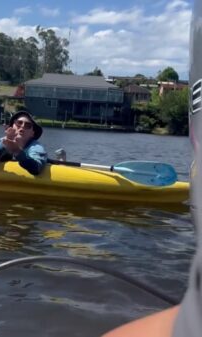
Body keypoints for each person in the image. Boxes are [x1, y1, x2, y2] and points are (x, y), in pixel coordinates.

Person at [103, 1, 200, 336]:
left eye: (25, 127)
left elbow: (31, 162)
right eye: (16, 126)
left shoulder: (35, 148)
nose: (18, 130)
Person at [0, 111, 47, 175]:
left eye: (28, 125)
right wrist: (4, 145)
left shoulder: (37, 147)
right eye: (19, 123)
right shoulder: (1, 141)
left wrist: (17, 151)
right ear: (12, 126)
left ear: (32, 133)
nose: (22, 127)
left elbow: (36, 168)